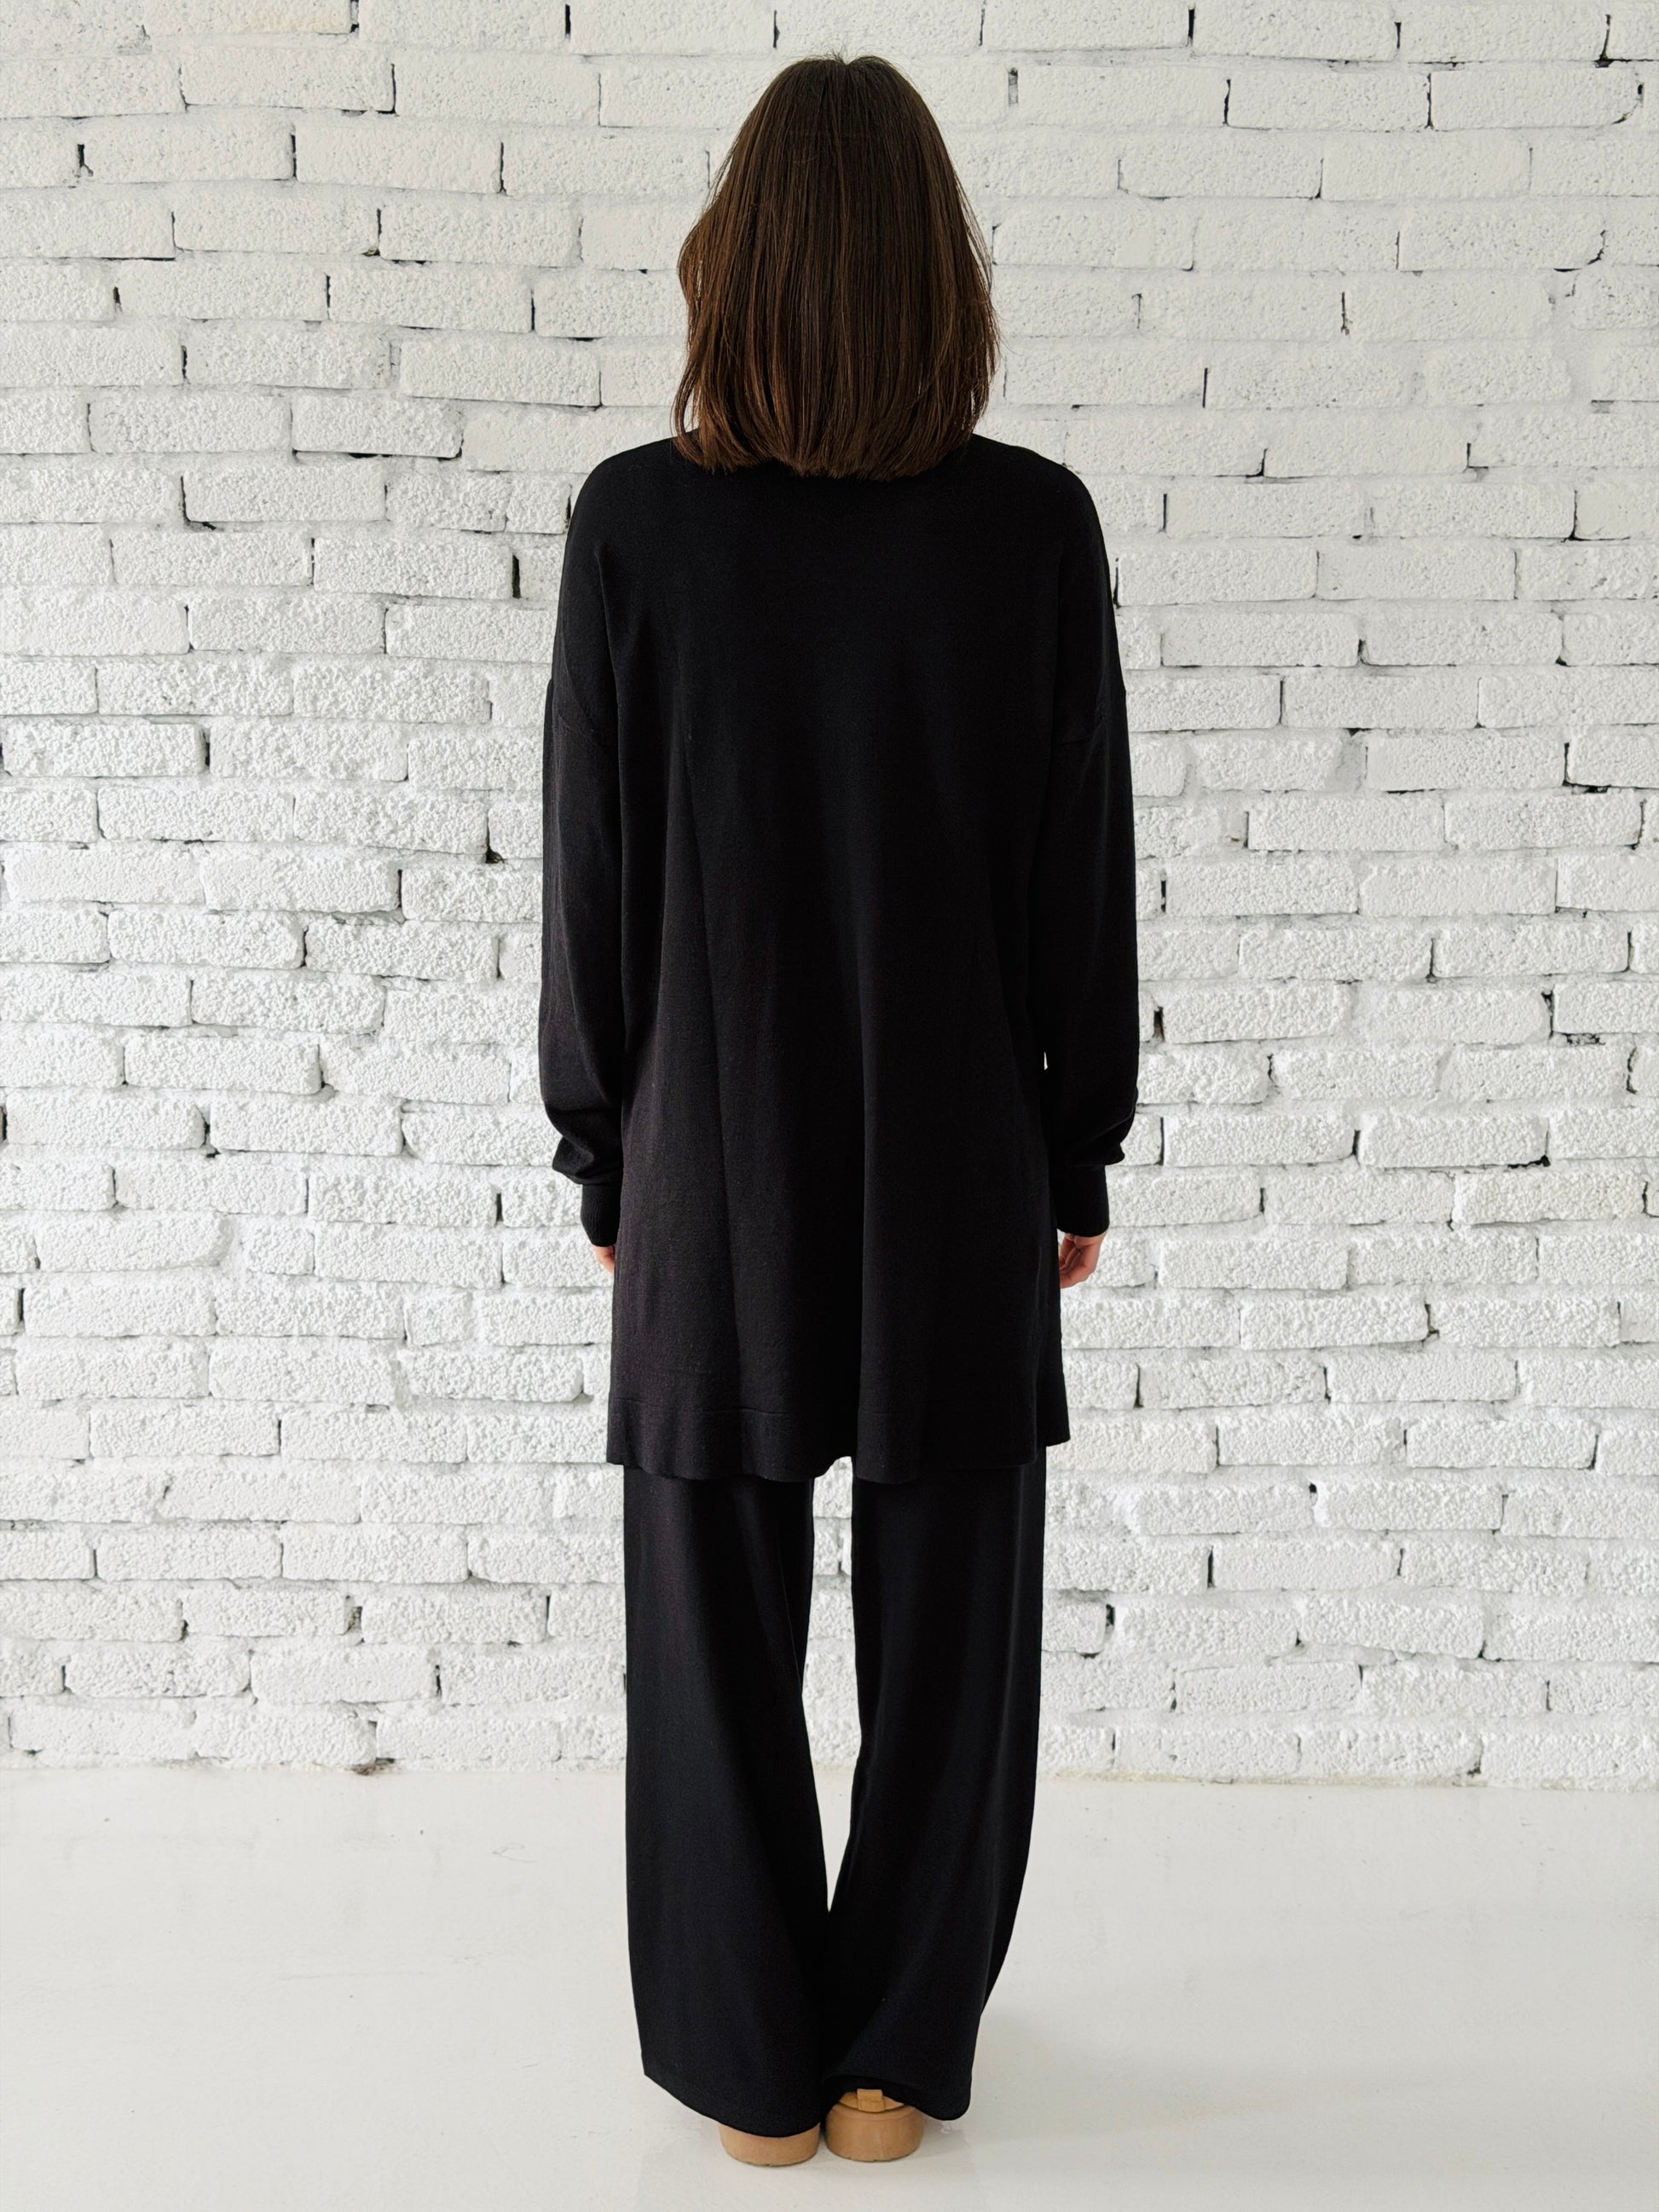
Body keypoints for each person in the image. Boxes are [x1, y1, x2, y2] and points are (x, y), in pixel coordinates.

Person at [538, 51, 1139, 2169]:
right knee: (954, 1615)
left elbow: (593, 877)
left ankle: (749, 2071)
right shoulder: (1031, 527)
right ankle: (892, 2054)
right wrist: (1076, 1145)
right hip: (960, 1148)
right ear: (937, 277)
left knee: (707, 1623)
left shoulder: (636, 524)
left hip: (713, 1153)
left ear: (734, 263)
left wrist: (601, 1148)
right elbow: (1080, 874)